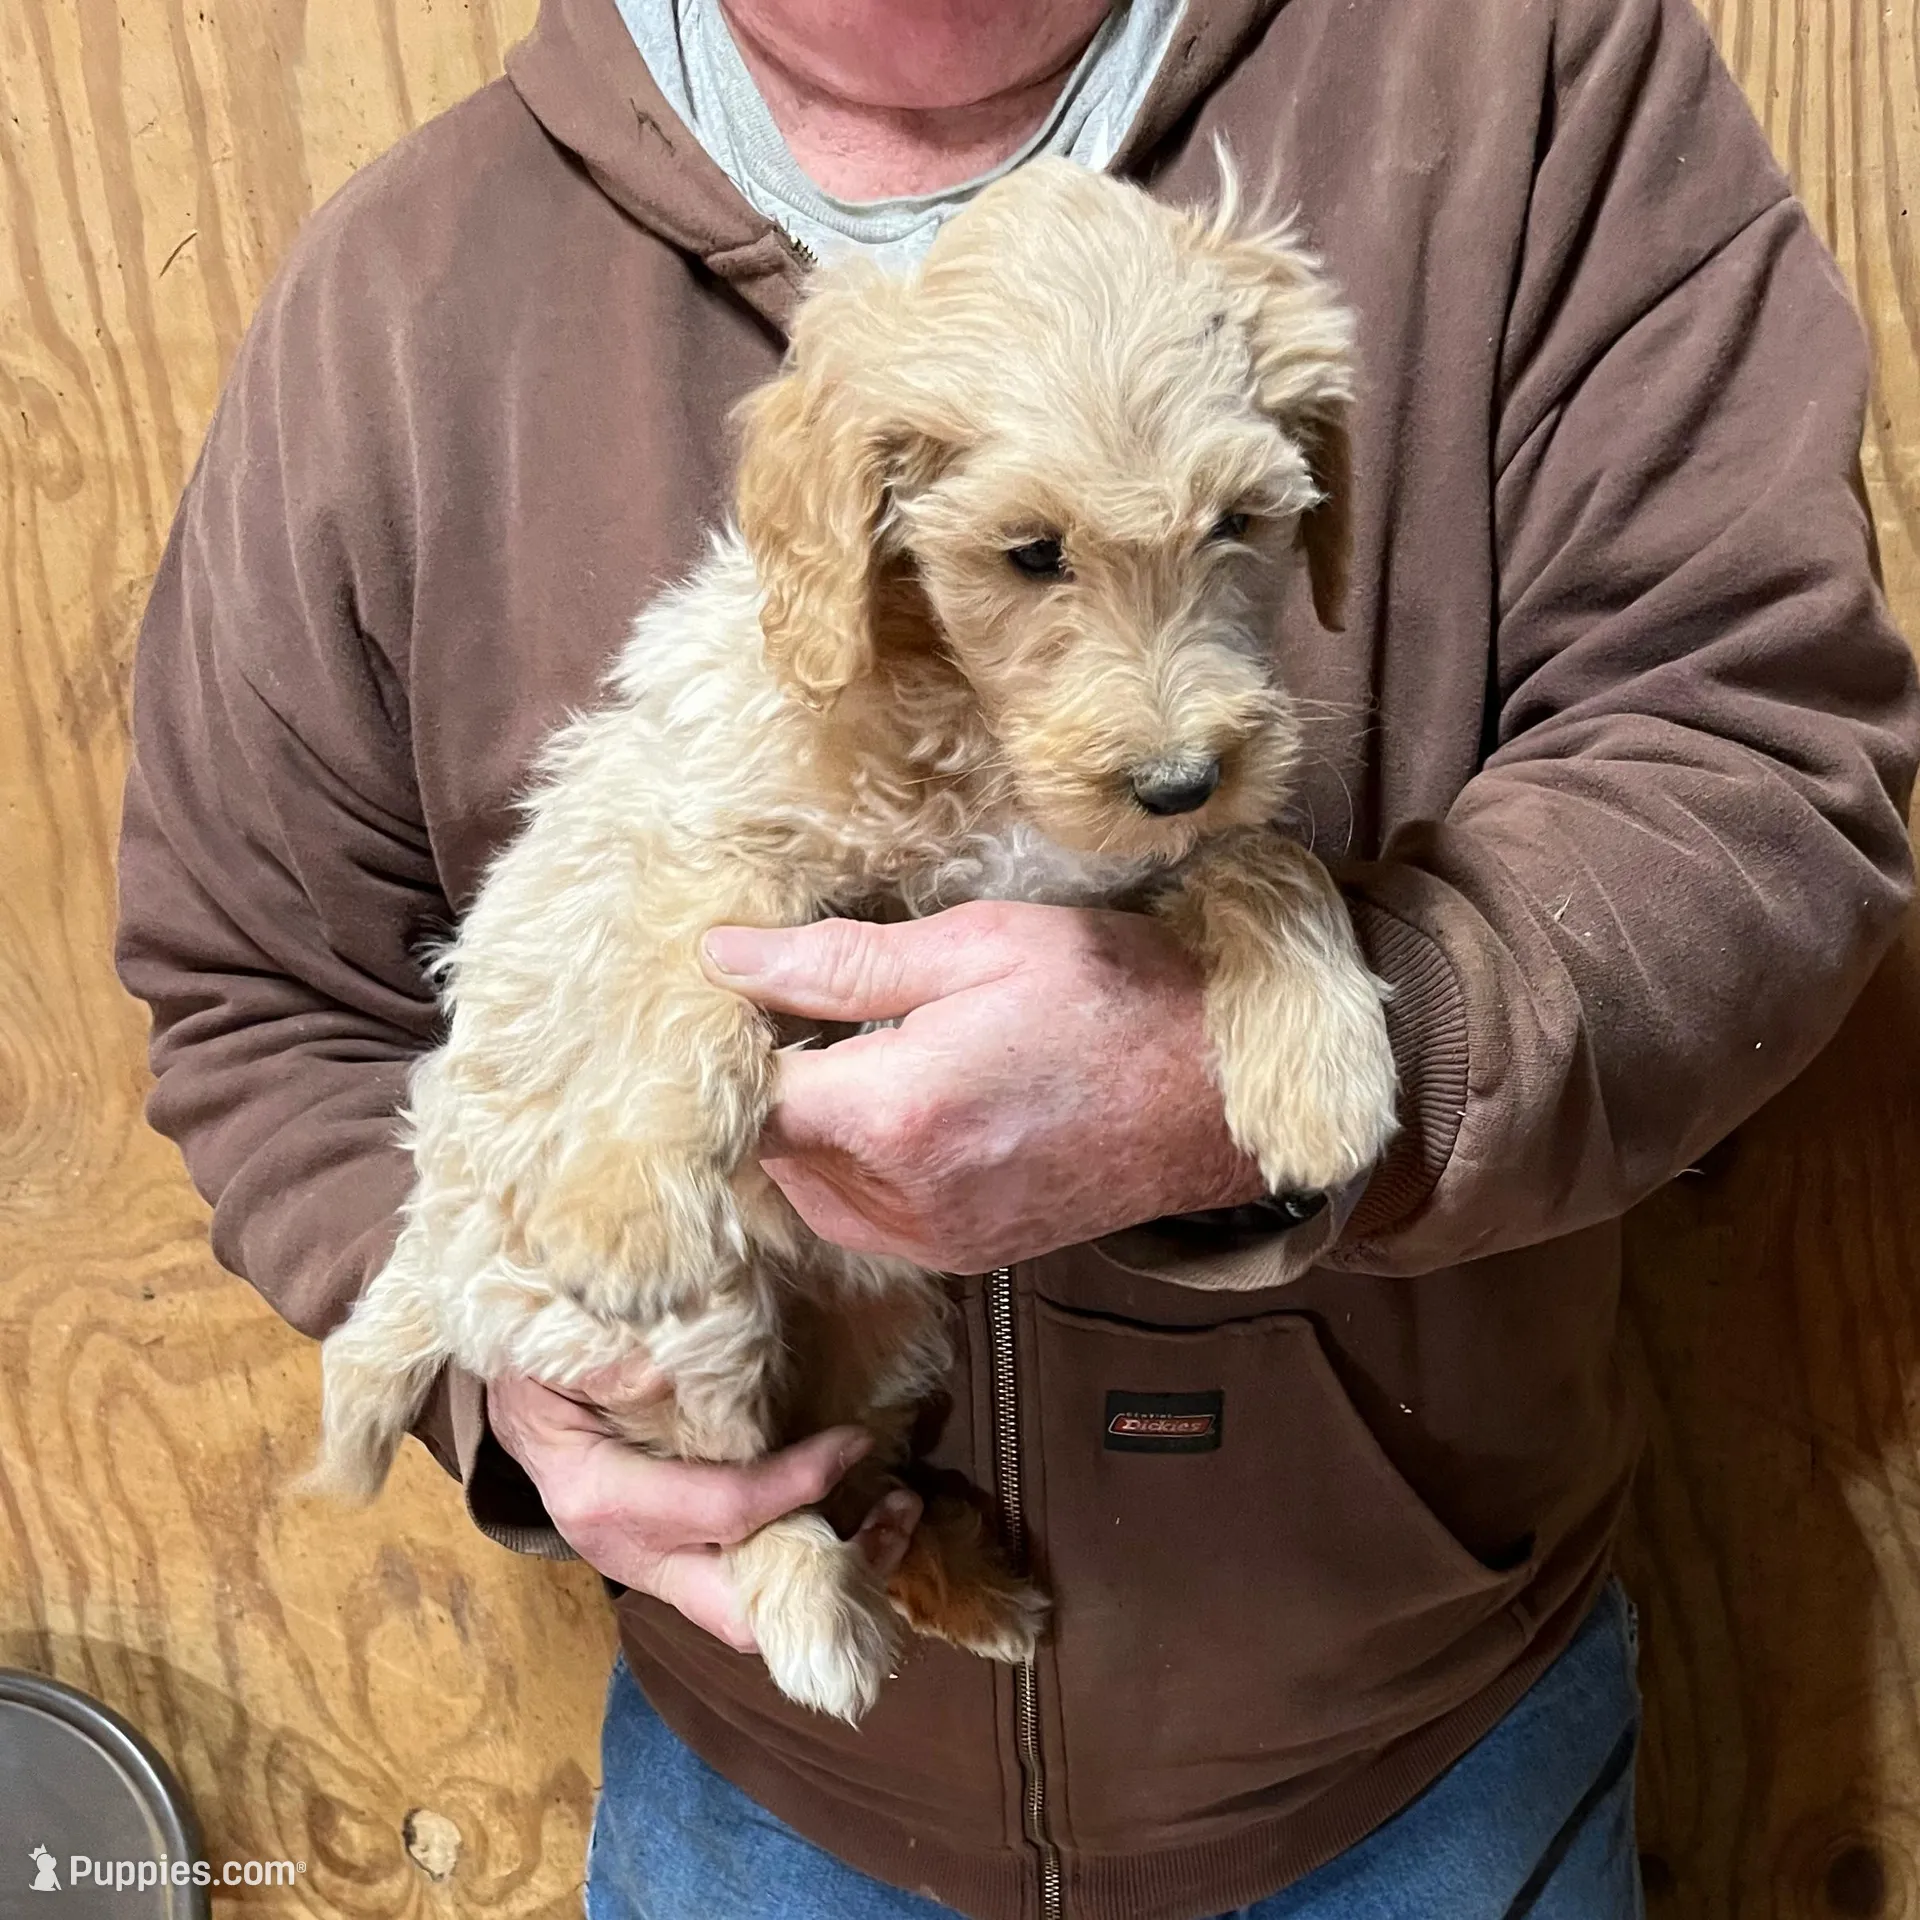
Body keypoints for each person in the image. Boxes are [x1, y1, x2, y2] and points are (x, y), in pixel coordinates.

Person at [114, 0, 1919, 1915]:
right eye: (1036, 561)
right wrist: (512, 1374)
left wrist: (1299, 1060)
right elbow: (254, 988)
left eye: (1237, 528)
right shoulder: (405, 281)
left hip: (1419, 1748)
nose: (1153, 707)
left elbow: (1763, 759)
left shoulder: (1530, 78)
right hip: (763, 1774)